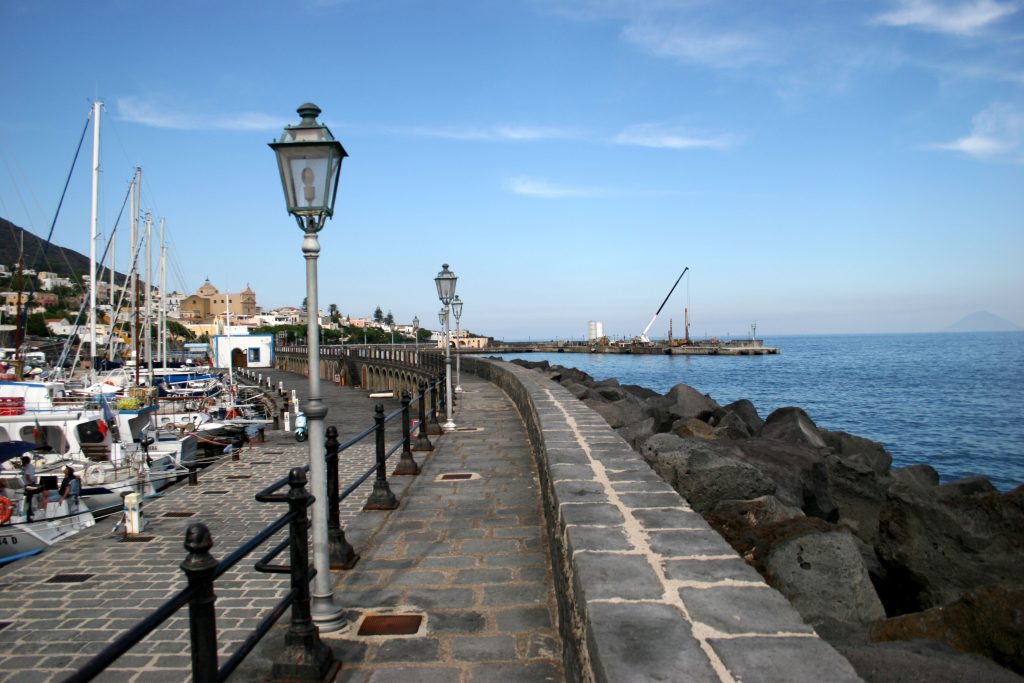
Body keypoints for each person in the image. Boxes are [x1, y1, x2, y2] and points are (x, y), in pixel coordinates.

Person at [21, 455, 42, 520]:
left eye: (22, 461)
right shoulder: (28, 466)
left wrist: (31, 483)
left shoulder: (27, 466)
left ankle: (29, 512)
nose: (22, 462)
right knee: (30, 498)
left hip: (28, 485)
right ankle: (30, 511)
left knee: (29, 499)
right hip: (29, 484)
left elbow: (27, 476)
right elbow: (29, 475)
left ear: (25, 461)